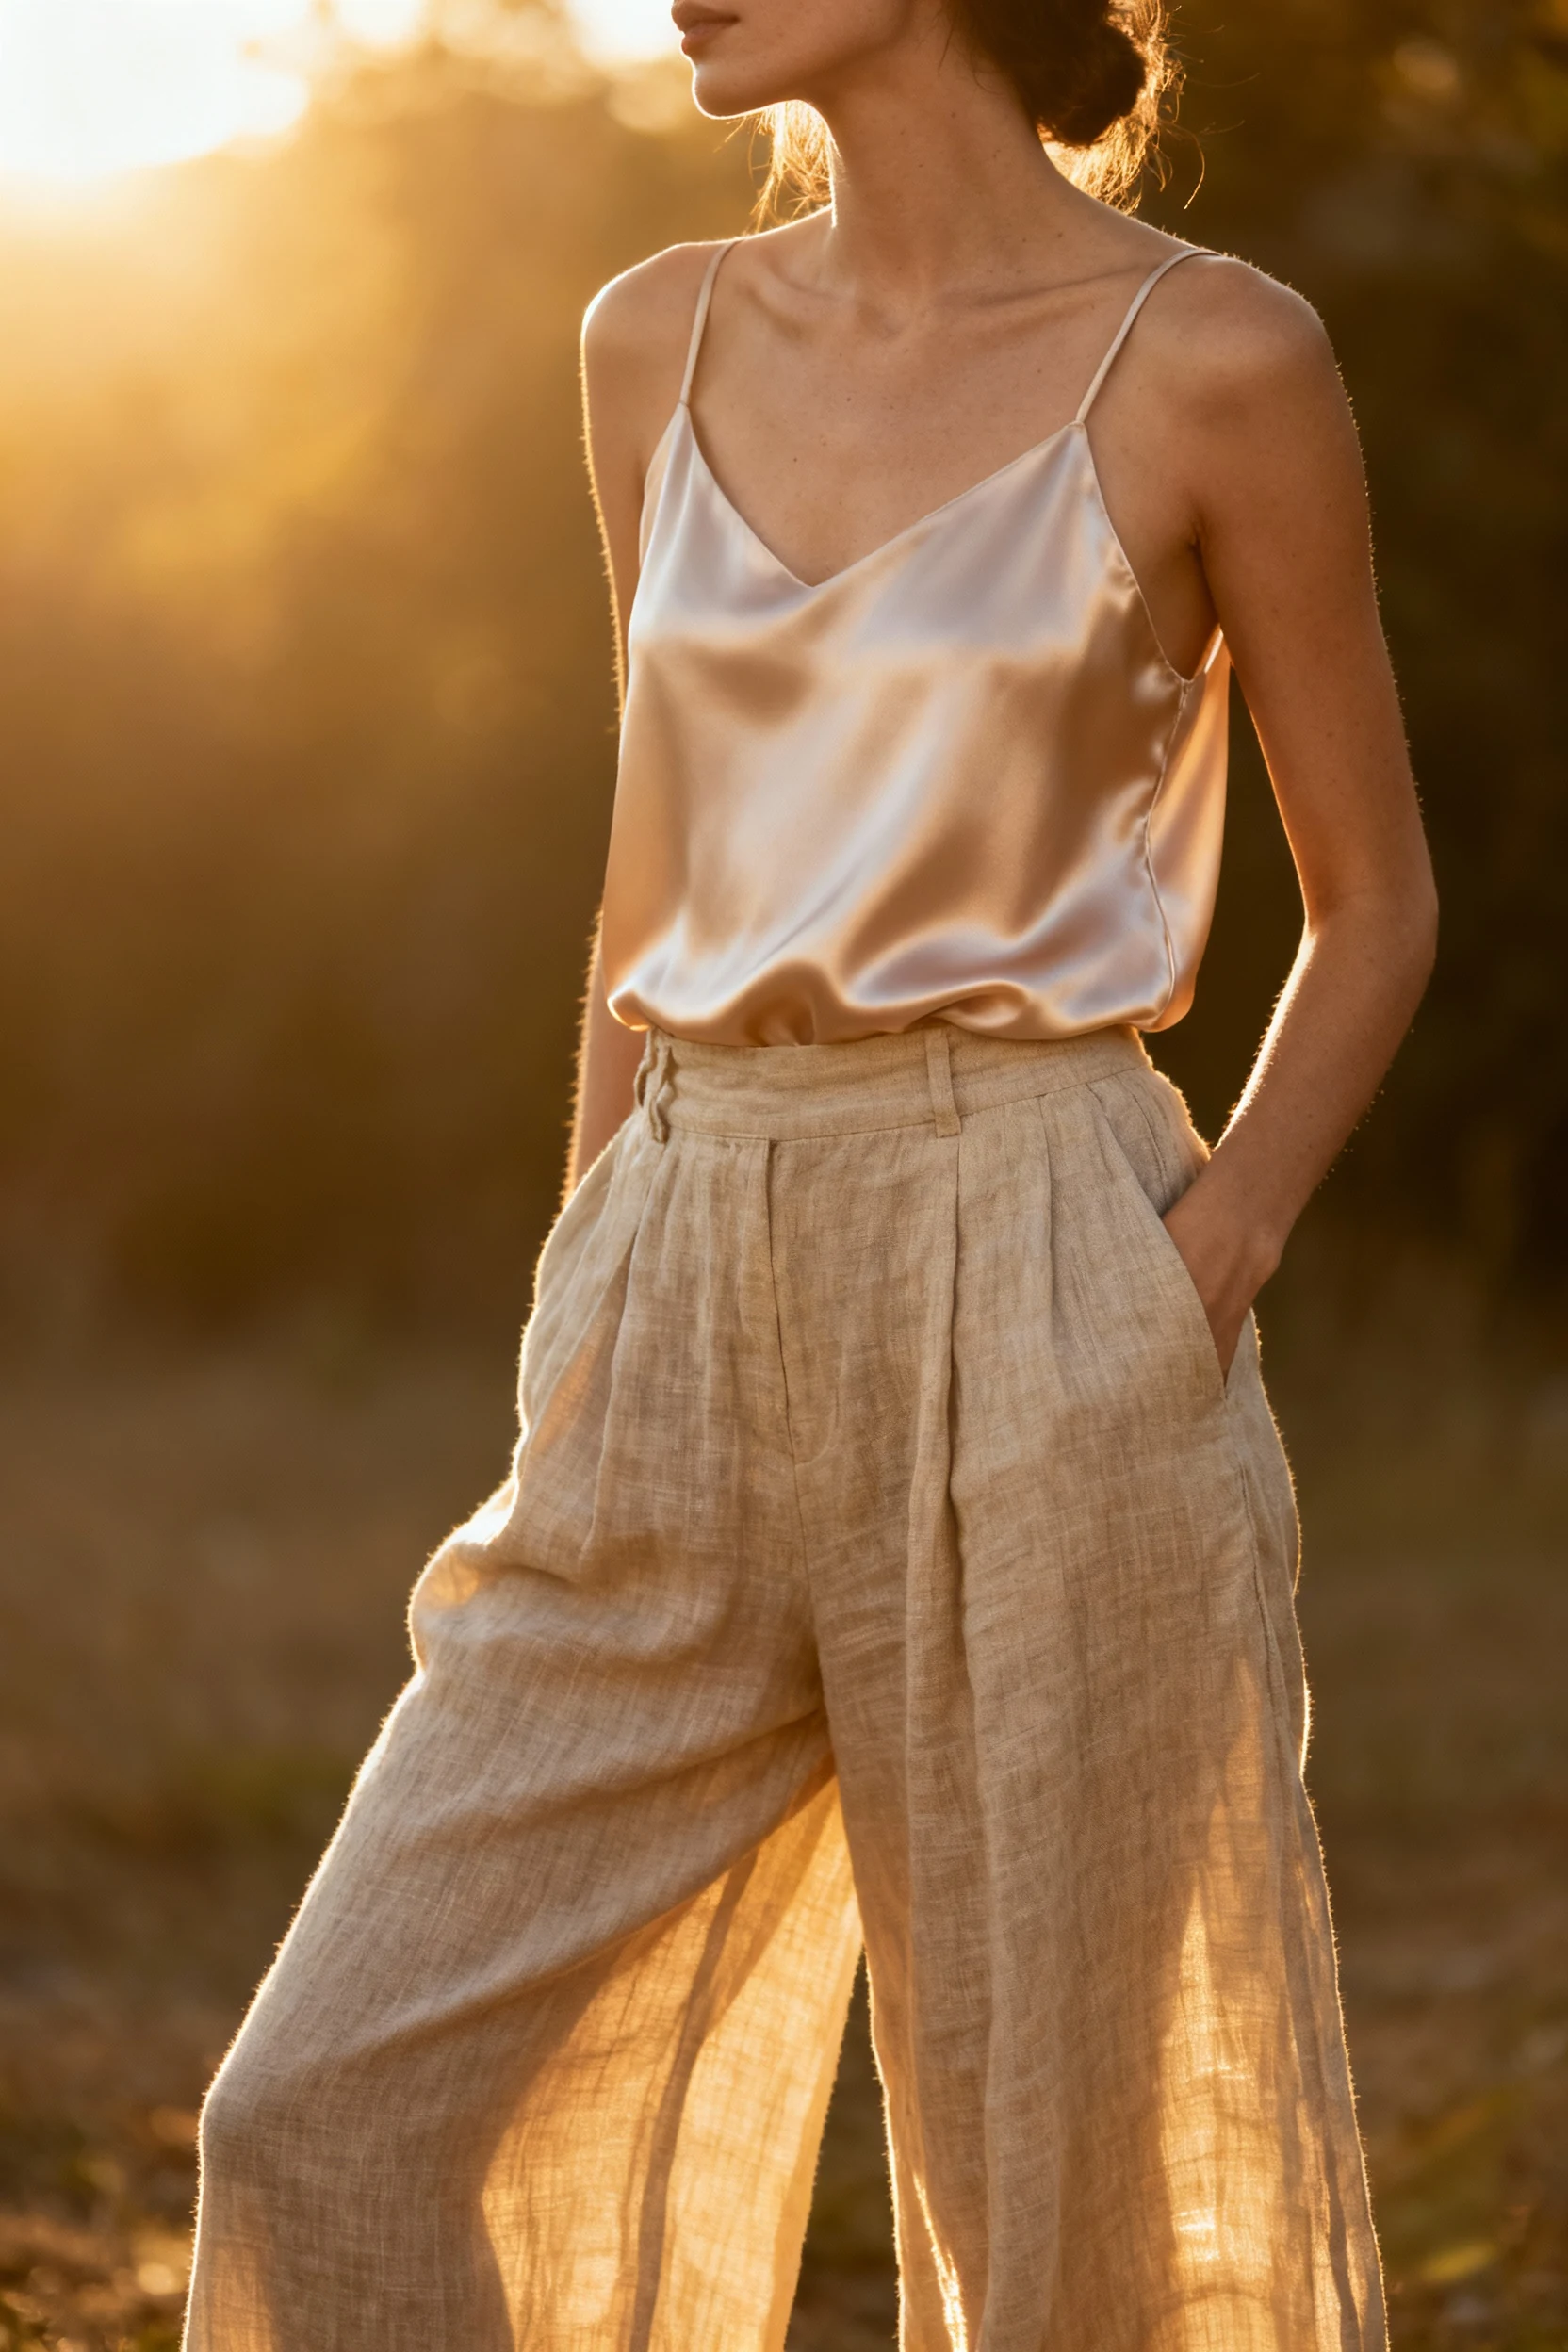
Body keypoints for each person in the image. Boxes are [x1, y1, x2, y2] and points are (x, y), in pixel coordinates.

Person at [184, 0, 1437, 2345]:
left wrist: (1210, 1249)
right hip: (680, 1244)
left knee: (1064, 2201)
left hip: (1044, 1253)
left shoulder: (1214, 360)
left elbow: (1374, 902)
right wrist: (586, 1260)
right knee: (324, 2109)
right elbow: (653, 854)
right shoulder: (650, 339)